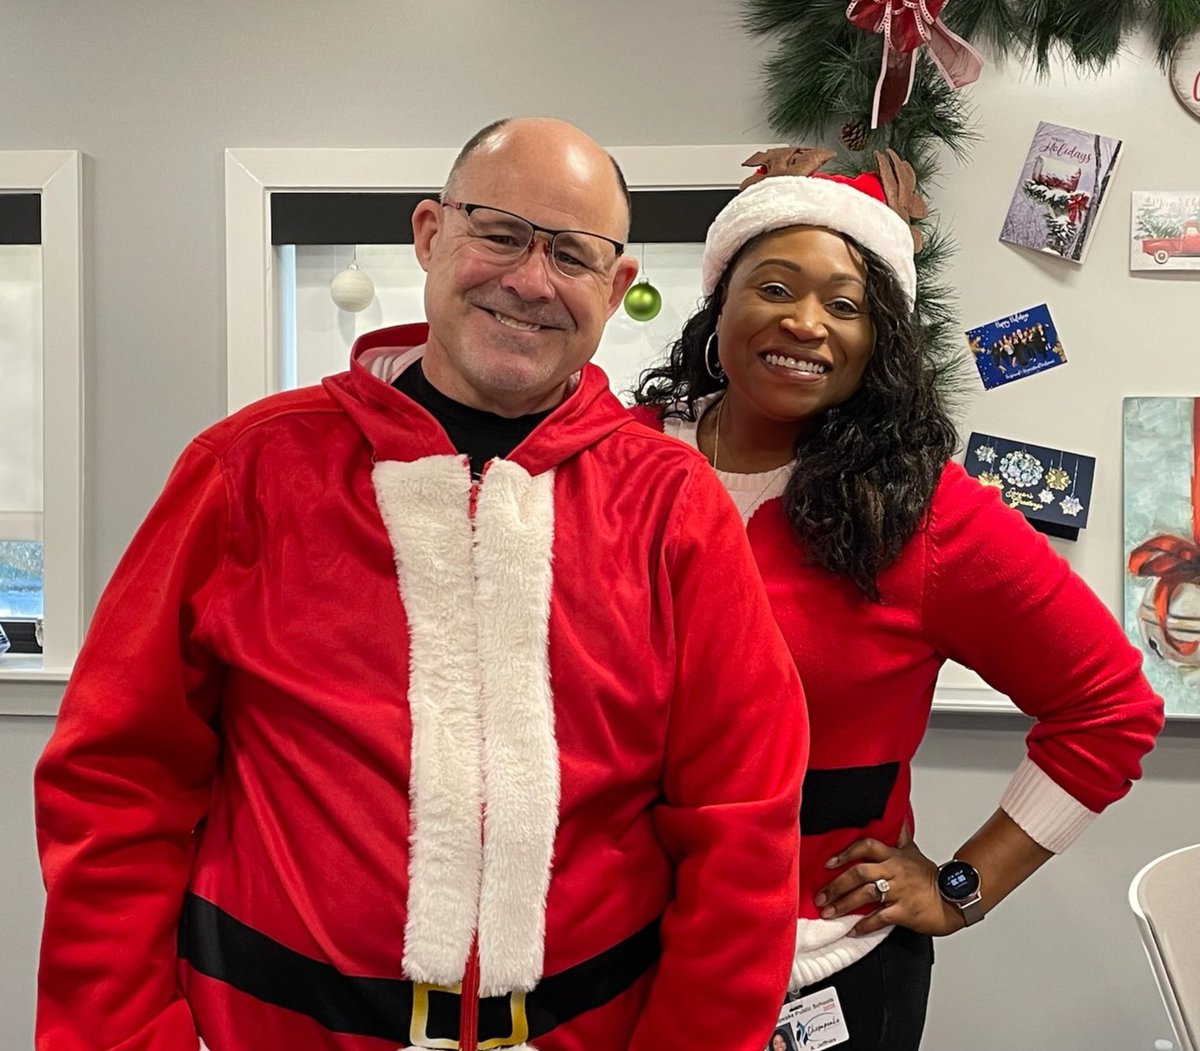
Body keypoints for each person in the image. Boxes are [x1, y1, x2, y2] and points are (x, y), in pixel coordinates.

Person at [34, 118, 809, 1051]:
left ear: (615, 291)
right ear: (431, 235)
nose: (530, 279)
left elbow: (744, 832)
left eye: (571, 253)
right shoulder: (248, 468)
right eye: (501, 231)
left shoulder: (674, 506)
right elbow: (116, 780)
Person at [633, 146, 1163, 1050]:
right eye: (773, 286)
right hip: (610, 955)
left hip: (820, 974)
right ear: (718, 302)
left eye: (845, 305)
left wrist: (963, 887)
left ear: (880, 340)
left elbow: (1109, 709)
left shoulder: (922, 512)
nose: (806, 323)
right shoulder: (618, 459)